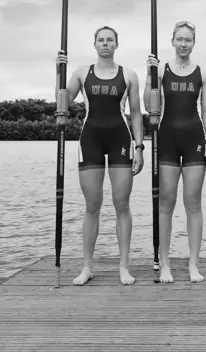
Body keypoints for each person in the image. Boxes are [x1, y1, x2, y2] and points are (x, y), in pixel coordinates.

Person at [55, 25, 144, 286]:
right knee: (92, 204)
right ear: (95, 44)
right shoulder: (83, 72)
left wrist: (139, 147)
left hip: (121, 140)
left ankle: (124, 266)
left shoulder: (129, 74)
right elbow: (63, 103)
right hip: (91, 139)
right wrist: (58, 70)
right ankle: (87, 267)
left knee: (122, 203)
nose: (105, 43)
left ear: (117, 44)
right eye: (101, 40)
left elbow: (137, 113)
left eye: (110, 40)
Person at [144, 21, 206, 284]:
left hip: (195, 138)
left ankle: (193, 264)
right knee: (166, 203)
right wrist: (149, 75)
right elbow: (149, 105)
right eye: (179, 39)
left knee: (193, 203)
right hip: (168, 139)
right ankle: (164, 264)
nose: (184, 44)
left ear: (193, 43)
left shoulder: (203, 74)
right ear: (172, 41)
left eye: (188, 40)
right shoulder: (161, 72)